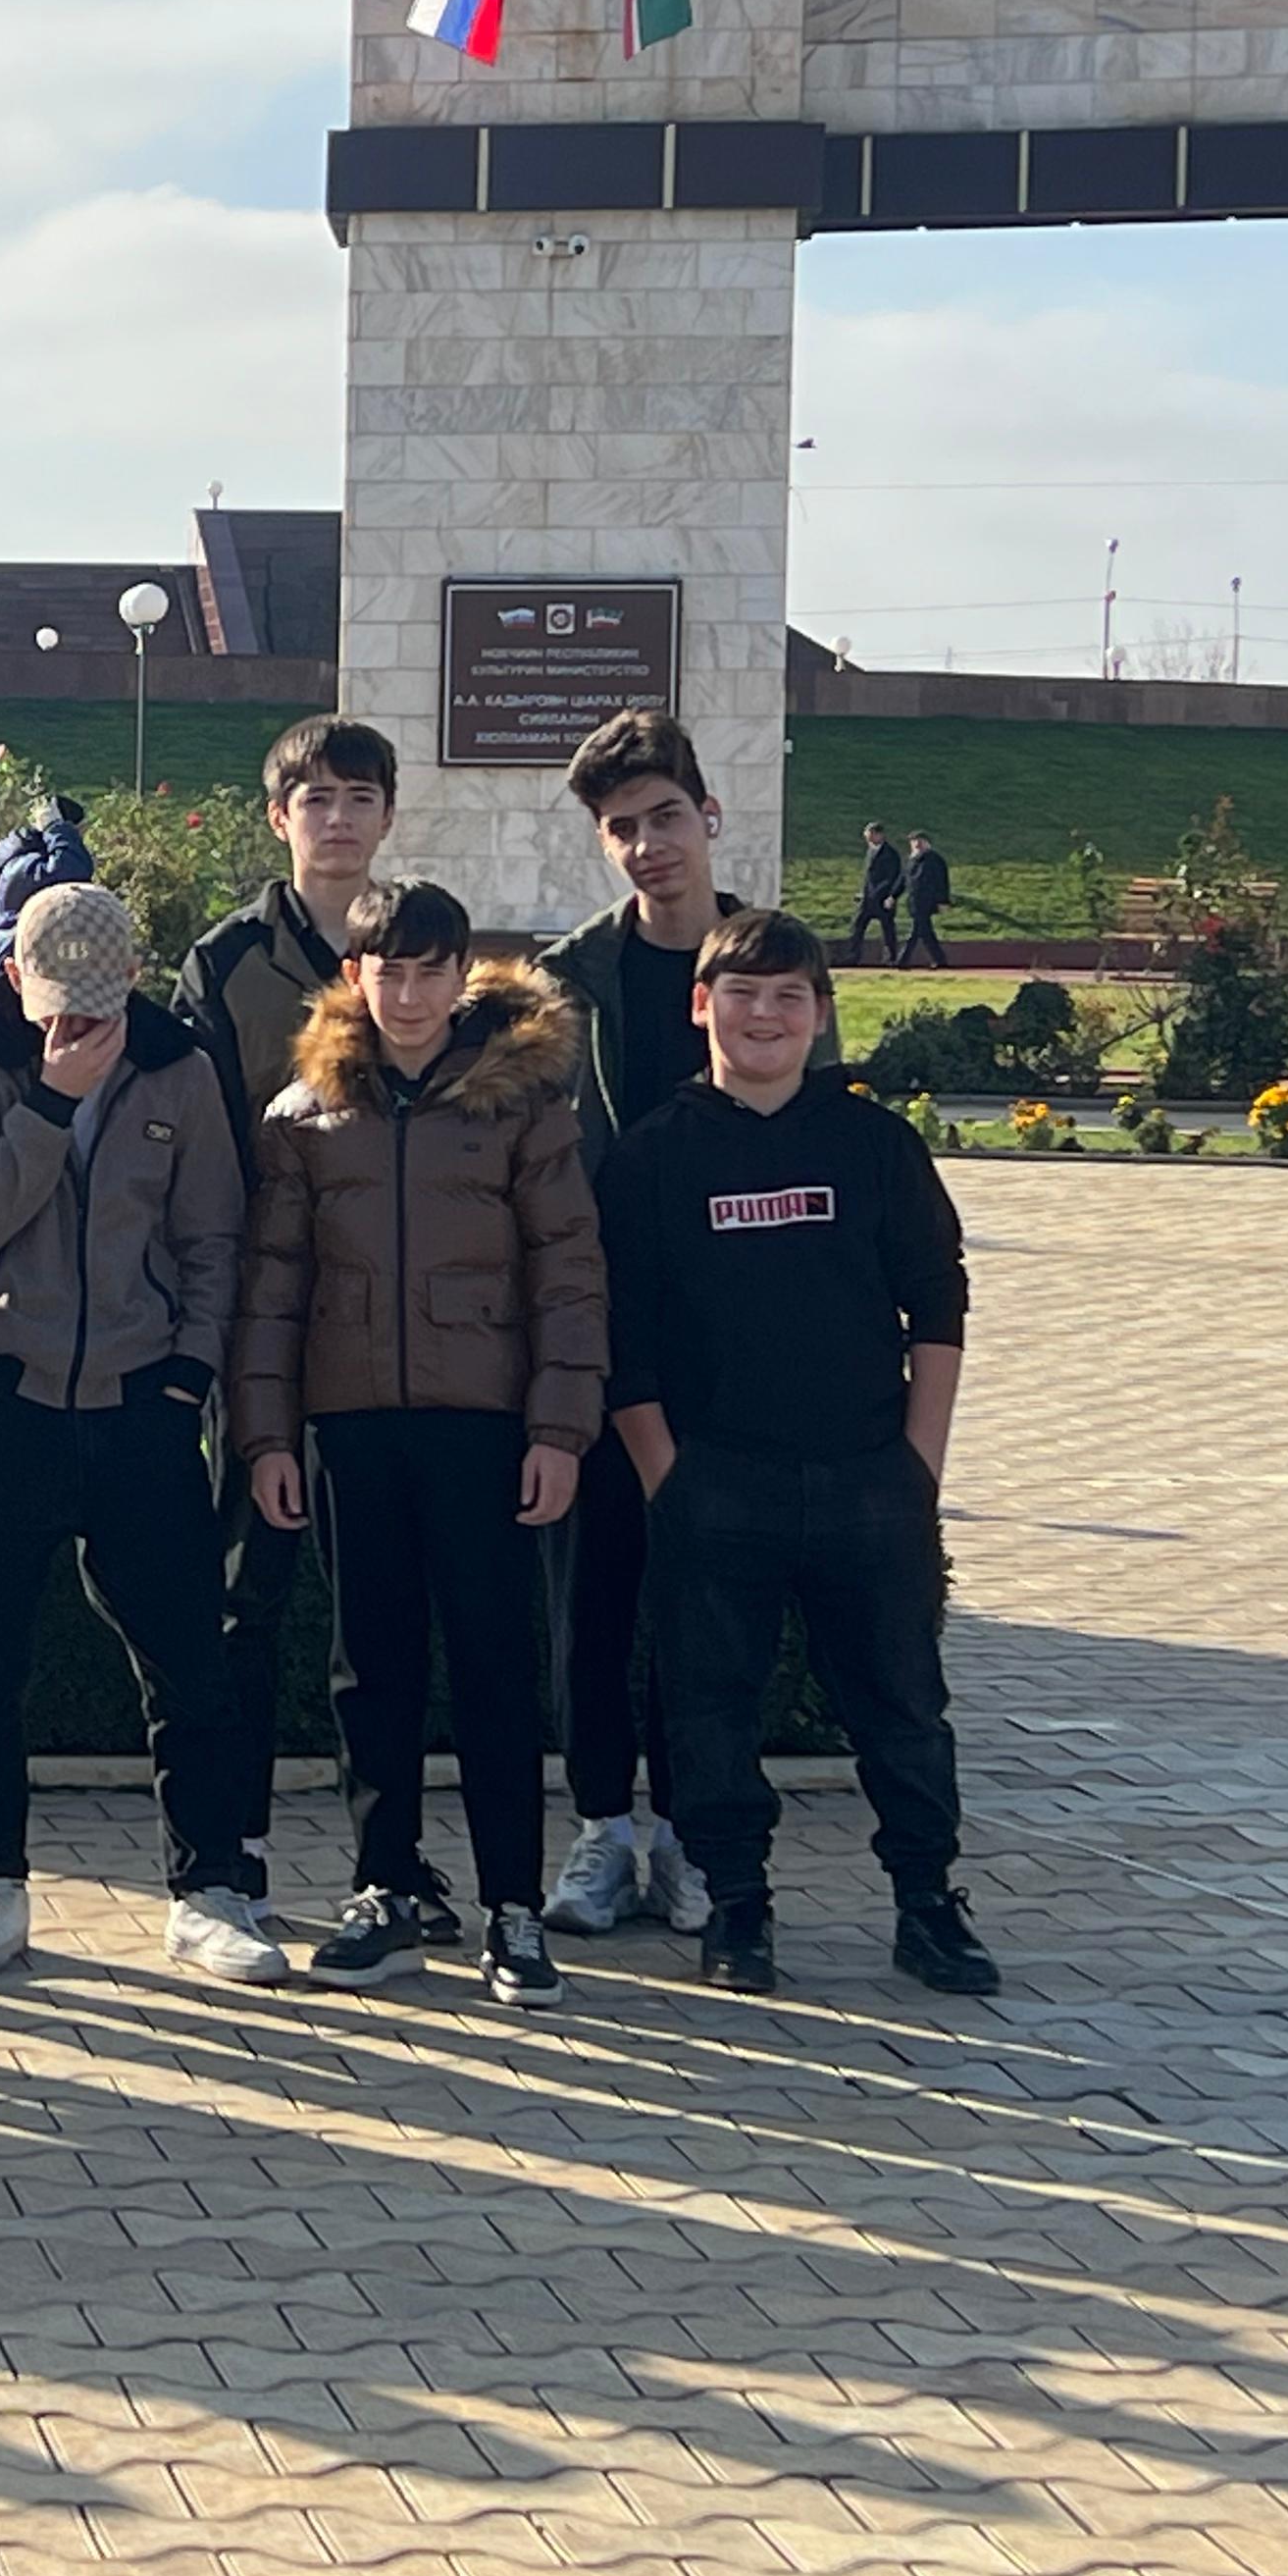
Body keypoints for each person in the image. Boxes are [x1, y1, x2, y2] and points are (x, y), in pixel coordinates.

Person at [603, 908, 999, 1998]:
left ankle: (928, 1903)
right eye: (742, 993)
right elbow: (621, 1338)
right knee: (710, 1712)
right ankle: (737, 1906)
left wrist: (920, 1464)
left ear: (821, 1015)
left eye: (790, 996)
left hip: (870, 1478)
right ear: (702, 1006)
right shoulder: (652, 1154)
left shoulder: (875, 1144)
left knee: (903, 1710)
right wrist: (666, 1478)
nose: (765, 1015)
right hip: (716, 1484)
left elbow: (939, 1301)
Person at [232, 880, 605, 2009]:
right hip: (351, 1427)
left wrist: (559, 1429)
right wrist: (268, 1438)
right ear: (354, 977)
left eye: (428, 971)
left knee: (494, 1664)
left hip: (483, 1426)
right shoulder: (306, 1114)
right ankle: (384, 1887)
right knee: (370, 1667)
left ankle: (512, 1906)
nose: (407, 993)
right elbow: (272, 1289)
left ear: (460, 975)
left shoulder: (524, 1104)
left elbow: (568, 1274)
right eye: (386, 971)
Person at [0, 881, 278, 1984]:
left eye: (98, 996)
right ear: (12, 976)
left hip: (139, 1405)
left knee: (189, 1663)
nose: (75, 1019)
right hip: (0, 1394)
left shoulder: (179, 1067)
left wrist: (187, 1378)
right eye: (53, 997)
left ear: (133, 975)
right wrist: (51, 1100)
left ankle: (208, 1889)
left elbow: (213, 1237)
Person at [534, 709, 783, 1944]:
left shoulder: (769, 964)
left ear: (709, 816)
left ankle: (687, 1831)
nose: (648, 845)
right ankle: (601, 1827)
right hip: (596, 1334)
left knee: (711, 1596)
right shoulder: (567, 979)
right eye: (622, 827)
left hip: (730, 1343)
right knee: (594, 1592)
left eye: (666, 817)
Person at [175, 711, 400, 1925]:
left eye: (361, 798)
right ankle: (238, 1842)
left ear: (388, 816)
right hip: (262, 1314)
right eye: (317, 799)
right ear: (279, 818)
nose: (339, 819)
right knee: (244, 1588)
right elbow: (198, 1142)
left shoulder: (418, 945)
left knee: (383, 1594)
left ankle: (392, 1860)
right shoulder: (224, 961)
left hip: (391, 1316)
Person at [0, 792, 94, 977]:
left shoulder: (24, 863)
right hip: (18, 979)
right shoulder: (24, 867)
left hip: (23, 972)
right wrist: (56, 827)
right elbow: (74, 868)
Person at [845, 823, 902, 966]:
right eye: (867, 836)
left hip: (883, 899)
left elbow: (892, 877)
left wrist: (889, 896)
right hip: (867, 899)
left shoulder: (890, 854)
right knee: (857, 926)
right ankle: (853, 956)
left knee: (887, 929)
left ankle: (890, 958)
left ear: (879, 835)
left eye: (871, 836)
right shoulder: (870, 851)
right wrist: (862, 892)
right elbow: (868, 877)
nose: (868, 839)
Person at [899, 831, 953, 970]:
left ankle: (902, 960)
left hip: (927, 901)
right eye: (914, 841)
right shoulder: (911, 861)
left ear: (927, 843)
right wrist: (893, 896)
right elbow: (904, 880)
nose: (917, 844)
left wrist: (943, 900)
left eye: (920, 841)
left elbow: (942, 882)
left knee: (916, 931)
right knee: (925, 932)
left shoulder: (934, 860)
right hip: (914, 901)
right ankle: (940, 960)